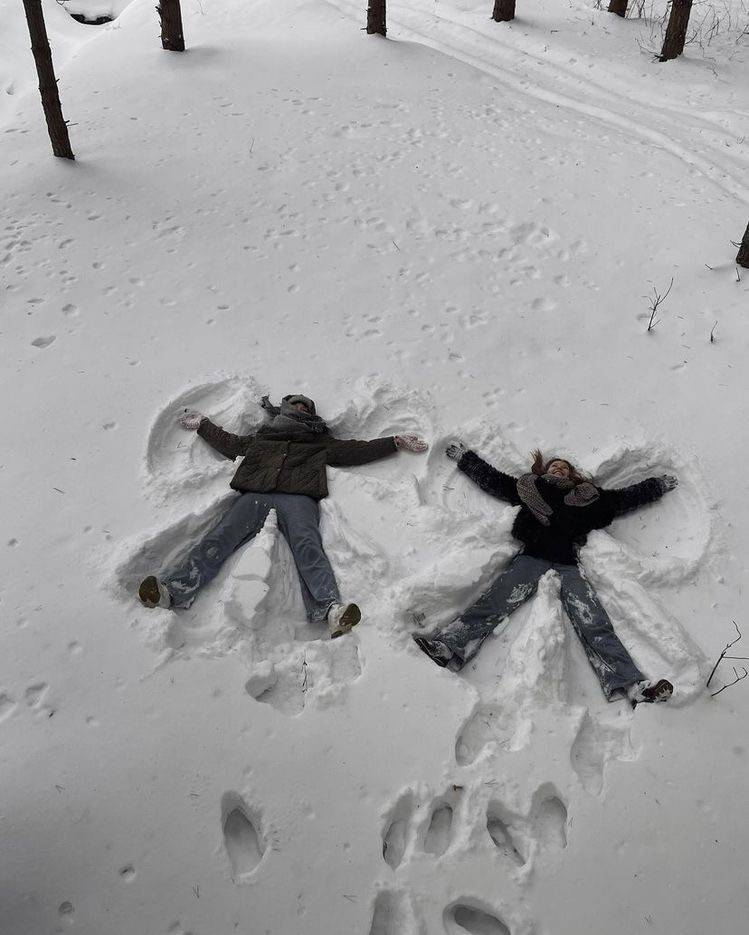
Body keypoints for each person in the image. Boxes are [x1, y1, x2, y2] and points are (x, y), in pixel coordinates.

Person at [139, 393, 428, 638]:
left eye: (307, 407)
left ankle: (331, 610)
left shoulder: (320, 442)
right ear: (285, 408)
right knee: (220, 536)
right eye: (297, 405)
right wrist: (203, 425)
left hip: (299, 499)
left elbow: (355, 450)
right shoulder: (262, 437)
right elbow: (229, 443)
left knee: (308, 546)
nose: (302, 409)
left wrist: (394, 442)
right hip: (255, 494)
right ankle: (171, 591)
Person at [413, 443, 677, 705]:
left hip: (567, 564)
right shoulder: (530, 488)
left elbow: (624, 498)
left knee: (594, 622)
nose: (560, 469)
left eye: (565, 467)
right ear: (545, 470)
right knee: (495, 603)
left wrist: (656, 486)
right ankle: (447, 647)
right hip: (531, 558)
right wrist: (465, 458)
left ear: (572, 475)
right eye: (555, 465)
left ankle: (633, 686)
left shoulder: (590, 498)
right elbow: (494, 480)